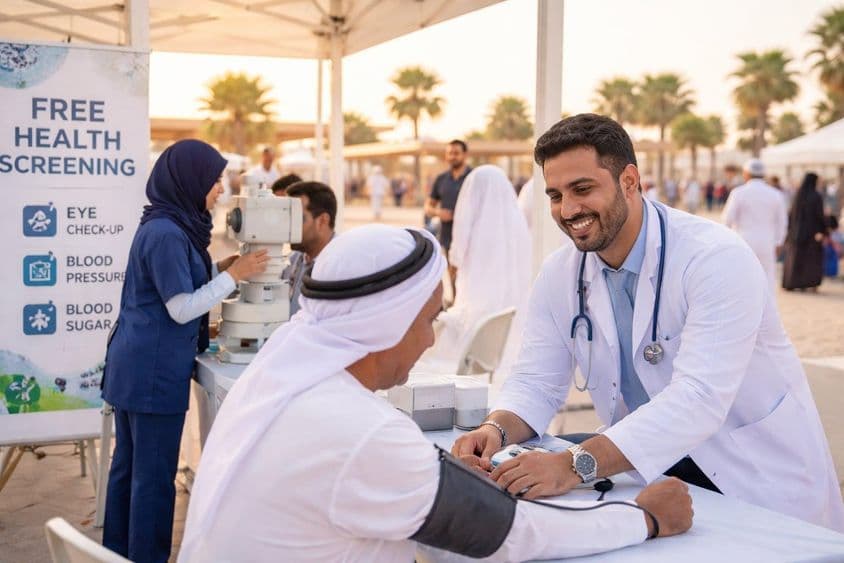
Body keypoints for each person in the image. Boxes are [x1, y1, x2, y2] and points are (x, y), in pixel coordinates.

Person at [178, 225, 693, 562]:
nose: (430, 341)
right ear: (387, 323)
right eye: (429, 320)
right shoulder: (360, 430)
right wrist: (643, 518)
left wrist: (438, 476)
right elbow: (511, 535)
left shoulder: (277, 377)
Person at [453, 114, 844, 532]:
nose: (568, 210)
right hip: (645, 468)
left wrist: (572, 465)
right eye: (555, 195)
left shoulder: (715, 258)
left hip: (750, 477)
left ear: (629, 181)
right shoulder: (560, 273)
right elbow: (535, 380)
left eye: (582, 189)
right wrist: (496, 429)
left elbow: (698, 397)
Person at [101, 140, 270, 562]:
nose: (219, 189)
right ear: (189, 181)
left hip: (136, 366)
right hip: (152, 373)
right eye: (214, 180)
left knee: (130, 471)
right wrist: (236, 277)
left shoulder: (168, 225)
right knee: (152, 480)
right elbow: (180, 307)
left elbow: (178, 280)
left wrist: (220, 269)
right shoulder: (167, 234)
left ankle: (116, 554)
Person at [416, 166, 530, 384]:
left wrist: (455, 263)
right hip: (506, 304)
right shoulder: (515, 219)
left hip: (477, 290)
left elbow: (459, 243)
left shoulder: (478, 223)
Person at [721, 158, 788, 290]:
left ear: (746, 174)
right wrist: (779, 242)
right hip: (767, 243)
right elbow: (782, 222)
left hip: (743, 241)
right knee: (767, 280)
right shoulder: (776, 194)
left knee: (742, 279)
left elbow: (727, 220)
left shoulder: (738, 193)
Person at [282, 181, 337, 316]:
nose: (288, 225)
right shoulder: (293, 260)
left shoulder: (340, 266)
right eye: (286, 217)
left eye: (296, 219)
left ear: (322, 221)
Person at [425, 139, 472, 254]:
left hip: (471, 238)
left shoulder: (474, 177)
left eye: (456, 153)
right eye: (449, 153)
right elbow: (428, 207)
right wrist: (438, 213)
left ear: (465, 155)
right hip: (447, 238)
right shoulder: (441, 179)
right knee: (450, 266)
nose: (452, 157)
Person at [782, 172, 827, 291]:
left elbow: (791, 215)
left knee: (795, 259)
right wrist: (822, 230)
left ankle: (792, 283)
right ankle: (809, 284)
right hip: (812, 234)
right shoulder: (816, 196)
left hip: (796, 233)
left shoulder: (798, 195)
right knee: (811, 260)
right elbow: (819, 215)